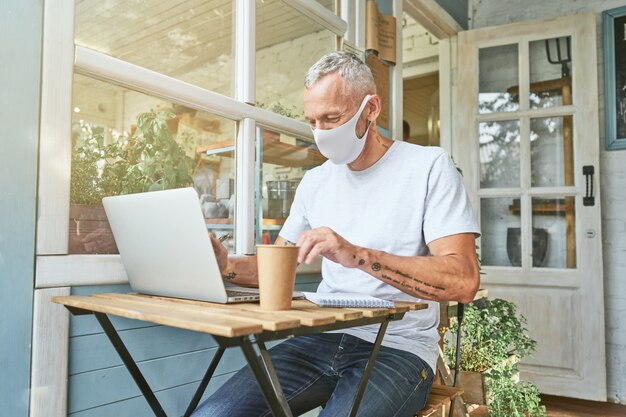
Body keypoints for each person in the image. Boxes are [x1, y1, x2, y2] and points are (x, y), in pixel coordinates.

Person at [195, 51, 480, 417]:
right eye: (313, 120)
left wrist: (357, 255)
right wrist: (225, 265)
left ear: (371, 109)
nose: (321, 132)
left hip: (397, 348)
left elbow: (463, 280)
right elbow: (279, 266)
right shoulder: (315, 182)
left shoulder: (428, 167)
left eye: (332, 118)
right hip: (318, 339)